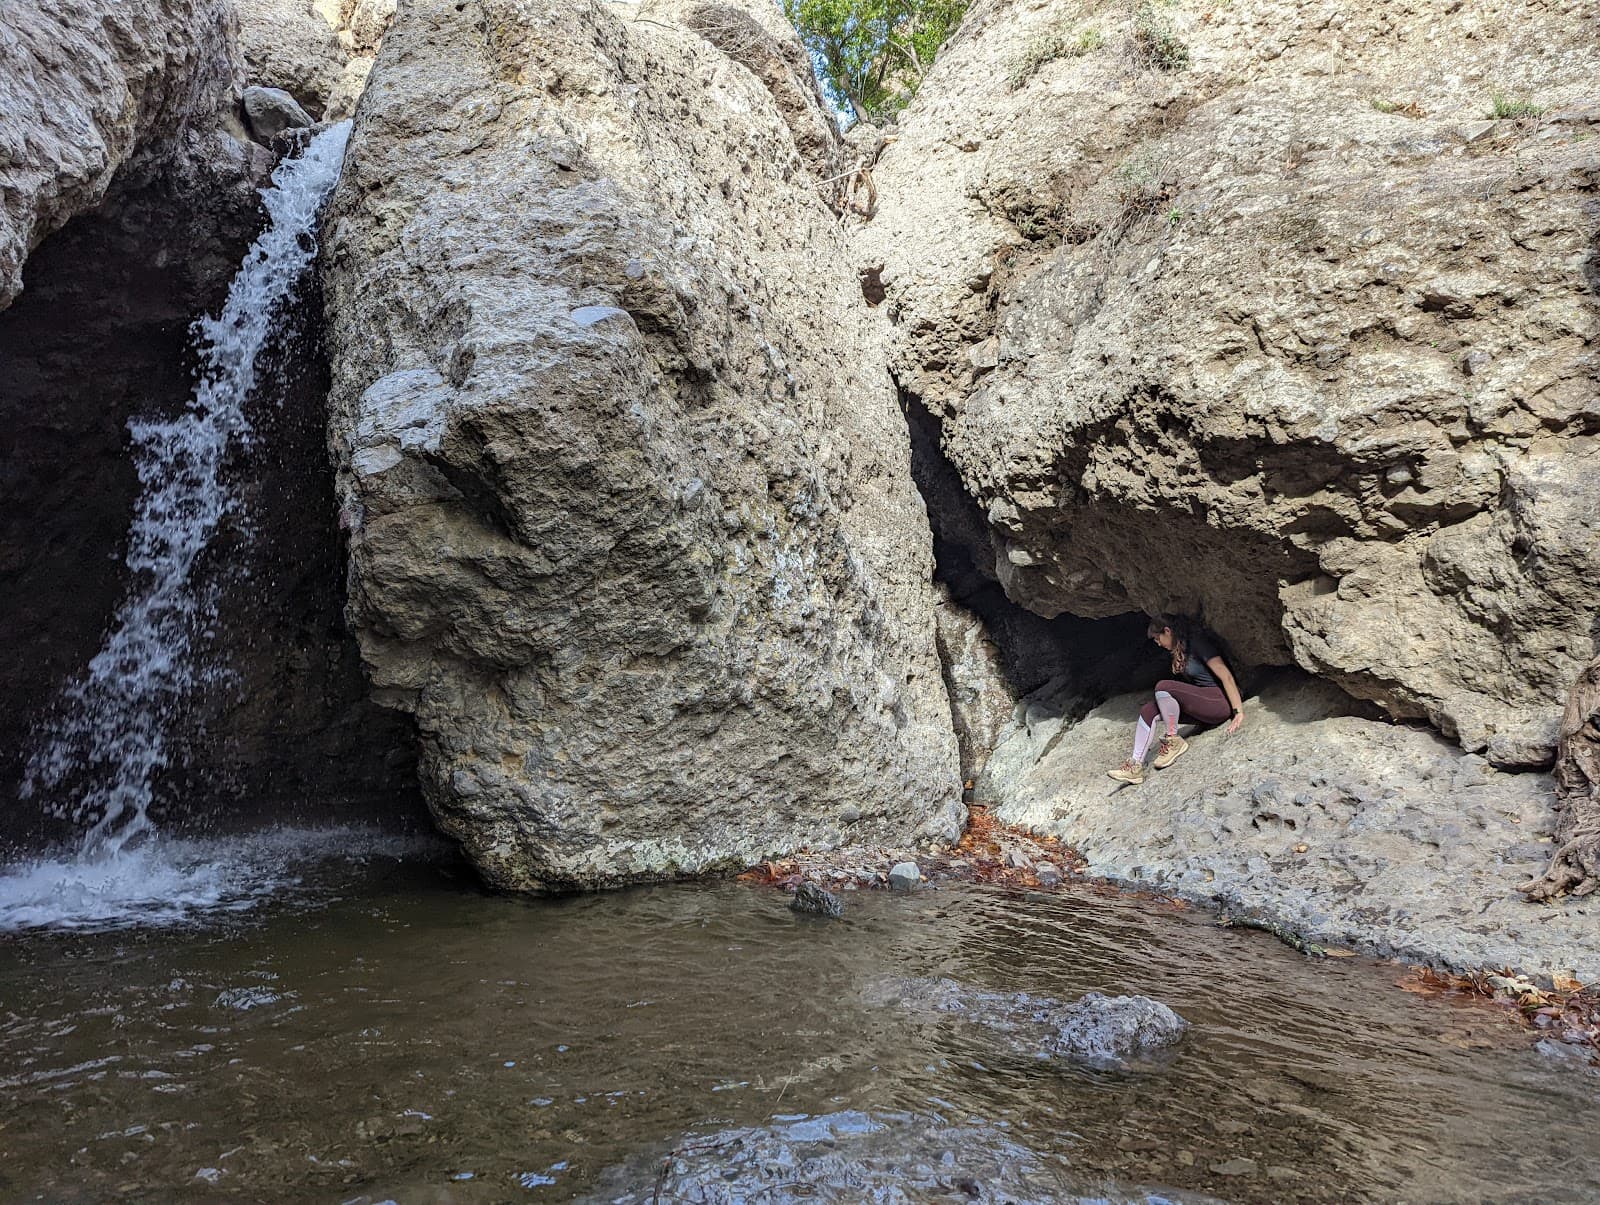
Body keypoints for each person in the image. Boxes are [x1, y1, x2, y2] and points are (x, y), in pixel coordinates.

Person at [1109, 614, 1245, 785]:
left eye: (1158, 638)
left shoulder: (1198, 643)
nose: (1158, 643)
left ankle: (1173, 740)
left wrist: (1238, 711)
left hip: (1219, 703)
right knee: (1148, 710)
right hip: (1203, 705)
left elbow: (1226, 676)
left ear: (1168, 631)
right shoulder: (1181, 649)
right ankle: (1135, 766)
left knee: (1164, 686)